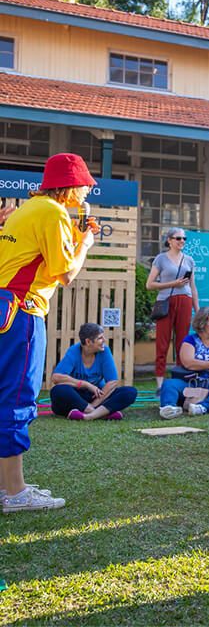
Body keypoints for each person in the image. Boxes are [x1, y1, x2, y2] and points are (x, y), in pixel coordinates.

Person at [0, 152, 97, 512]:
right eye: (85, 184)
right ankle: (15, 493)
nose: (88, 190)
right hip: (21, 313)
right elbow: (66, 273)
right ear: (70, 185)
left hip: (6, 307)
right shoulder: (53, 212)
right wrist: (86, 242)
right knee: (17, 399)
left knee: (5, 396)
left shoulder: (30, 208)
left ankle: (8, 486)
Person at [146, 227, 200, 394]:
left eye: (184, 238)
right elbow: (149, 285)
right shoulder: (161, 259)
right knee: (162, 343)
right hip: (166, 302)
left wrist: (198, 311)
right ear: (169, 240)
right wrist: (172, 284)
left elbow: (193, 287)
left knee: (183, 342)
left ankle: (179, 380)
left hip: (185, 301)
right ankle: (160, 383)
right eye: (178, 238)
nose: (182, 241)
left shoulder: (189, 260)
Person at [50, 323, 138, 420]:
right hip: (76, 395)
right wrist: (86, 384)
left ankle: (89, 415)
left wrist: (93, 405)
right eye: (100, 338)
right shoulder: (74, 351)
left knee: (130, 392)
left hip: (98, 396)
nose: (104, 340)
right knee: (57, 391)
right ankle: (102, 413)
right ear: (88, 341)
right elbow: (56, 377)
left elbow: (112, 382)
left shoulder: (105, 351)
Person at [159, 307, 209, 419]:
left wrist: (201, 364)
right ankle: (168, 408)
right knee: (169, 384)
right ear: (202, 323)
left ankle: (202, 408)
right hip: (190, 381)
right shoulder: (190, 340)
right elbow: (189, 363)